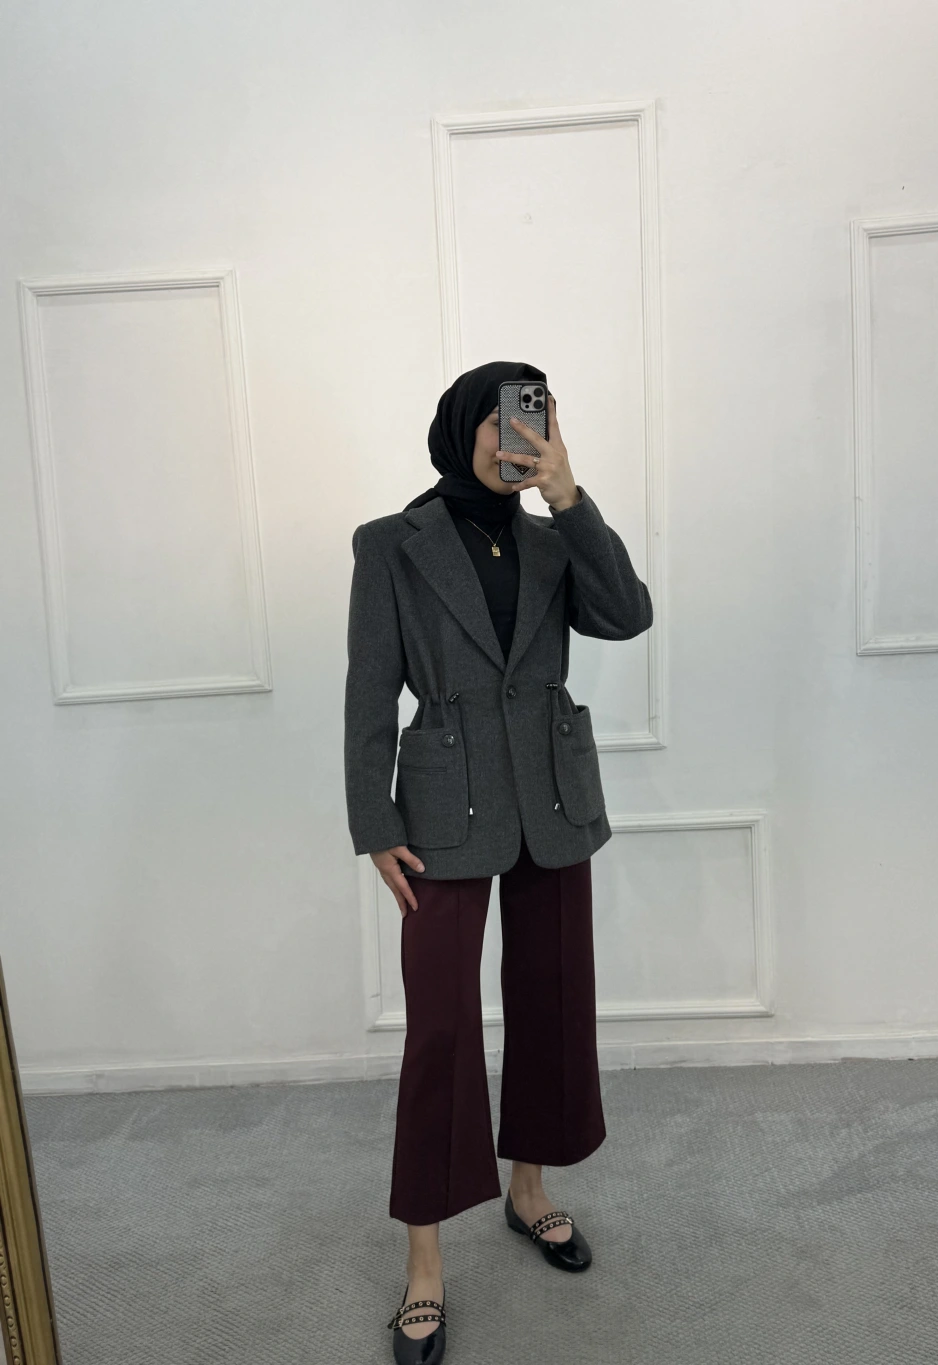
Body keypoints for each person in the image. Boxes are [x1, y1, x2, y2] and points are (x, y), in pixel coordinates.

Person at [343, 360, 654, 1364]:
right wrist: (372, 818)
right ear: (463, 426)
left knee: (554, 999)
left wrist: (569, 495)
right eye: (505, 419)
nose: (520, 436)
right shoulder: (392, 542)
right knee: (439, 1027)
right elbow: (369, 691)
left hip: (553, 799)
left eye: (538, 417)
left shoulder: (554, 537)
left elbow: (627, 614)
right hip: (440, 808)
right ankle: (425, 1261)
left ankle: (529, 1189)